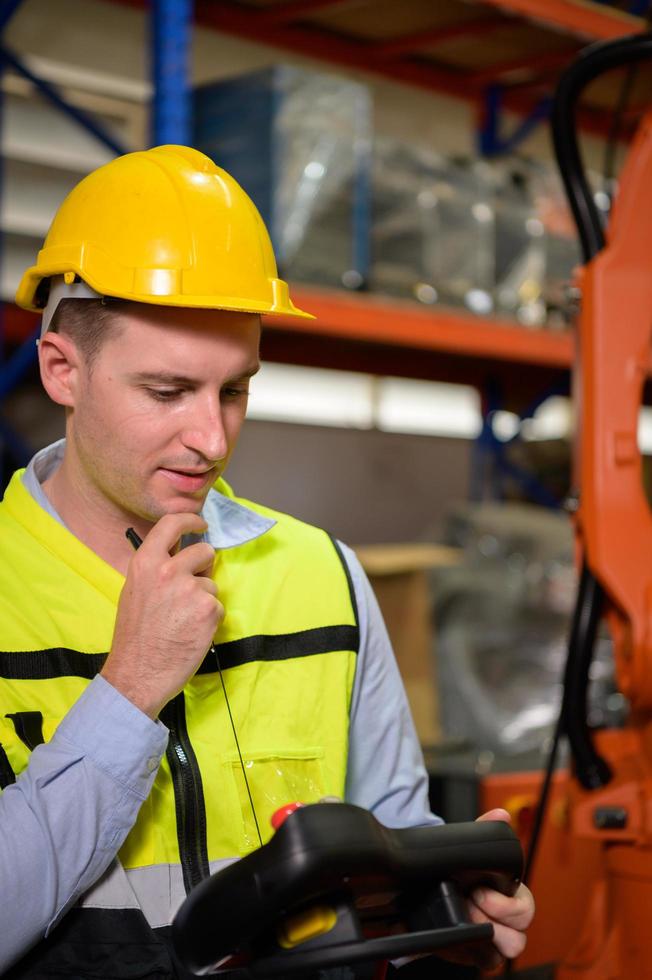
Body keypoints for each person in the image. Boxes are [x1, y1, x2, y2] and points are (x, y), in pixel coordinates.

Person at [0, 145, 533, 977]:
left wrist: (450, 901)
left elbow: (393, 833)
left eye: (236, 389)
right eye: (168, 392)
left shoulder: (326, 578)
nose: (212, 440)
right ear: (63, 369)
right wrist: (131, 689)